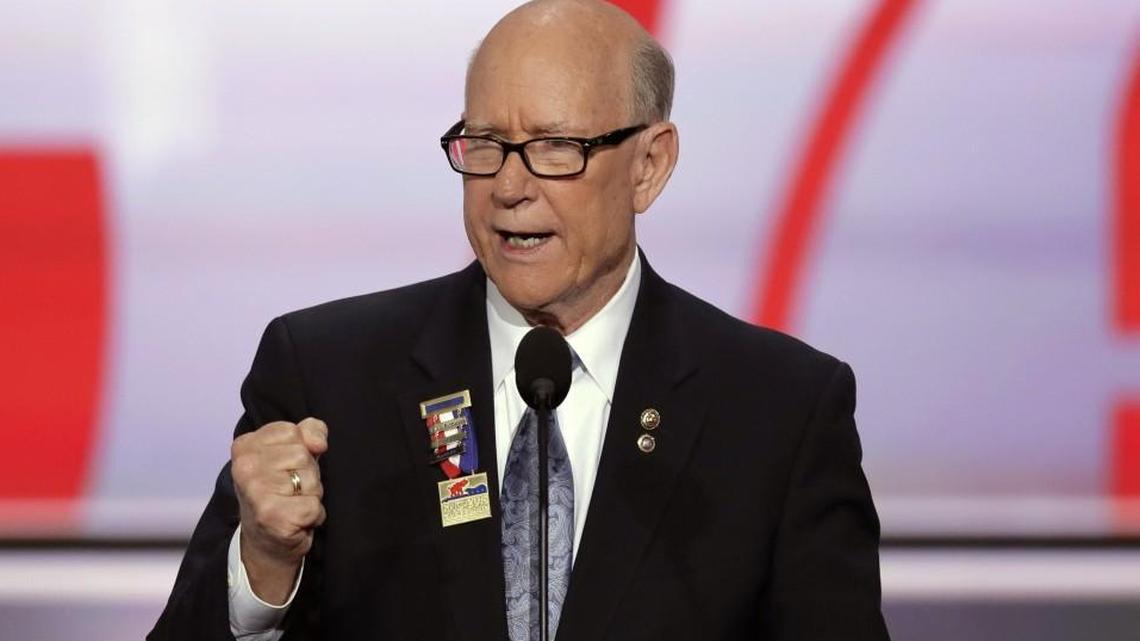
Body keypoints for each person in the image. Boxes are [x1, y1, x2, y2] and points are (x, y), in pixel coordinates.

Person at [149, 1, 890, 639]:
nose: (508, 186)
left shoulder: (779, 411)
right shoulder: (327, 377)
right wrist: (265, 570)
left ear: (649, 165)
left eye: (554, 148)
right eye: (485, 146)